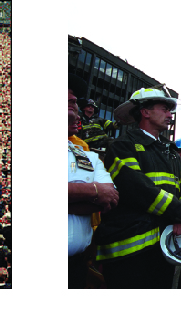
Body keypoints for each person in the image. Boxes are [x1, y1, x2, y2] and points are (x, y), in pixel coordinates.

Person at [94, 86, 181, 289]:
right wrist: (180, 211)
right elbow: (136, 187)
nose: (169, 115)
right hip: (129, 252)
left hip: (164, 247)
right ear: (145, 112)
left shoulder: (170, 151)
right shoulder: (123, 146)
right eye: (164, 109)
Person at [68, 77, 118, 289]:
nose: (75, 105)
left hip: (77, 261)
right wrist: (93, 193)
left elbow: (109, 197)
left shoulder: (82, 149)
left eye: (76, 103)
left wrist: (75, 197)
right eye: (68, 101)